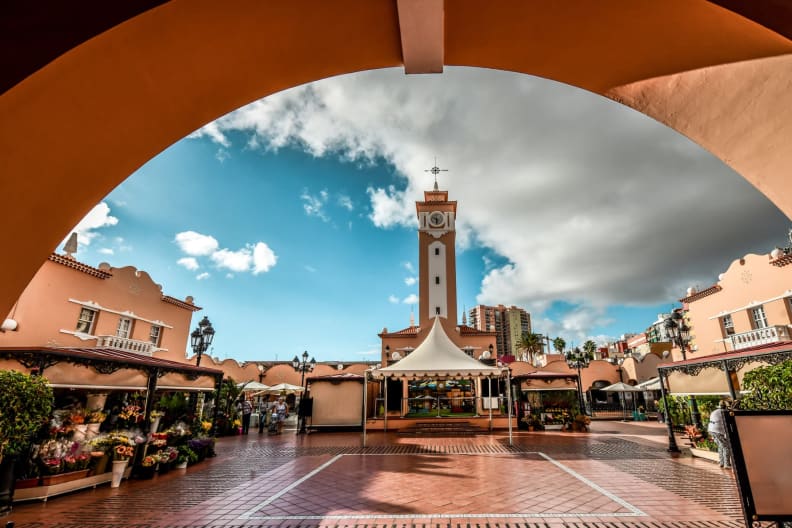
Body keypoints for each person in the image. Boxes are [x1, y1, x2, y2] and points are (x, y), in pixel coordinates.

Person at [707, 400, 732, 469]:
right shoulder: (724, 412)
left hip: (711, 430)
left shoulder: (715, 411)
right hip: (717, 430)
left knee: (721, 446)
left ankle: (721, 463)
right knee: (726, 447)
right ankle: (727, 464)